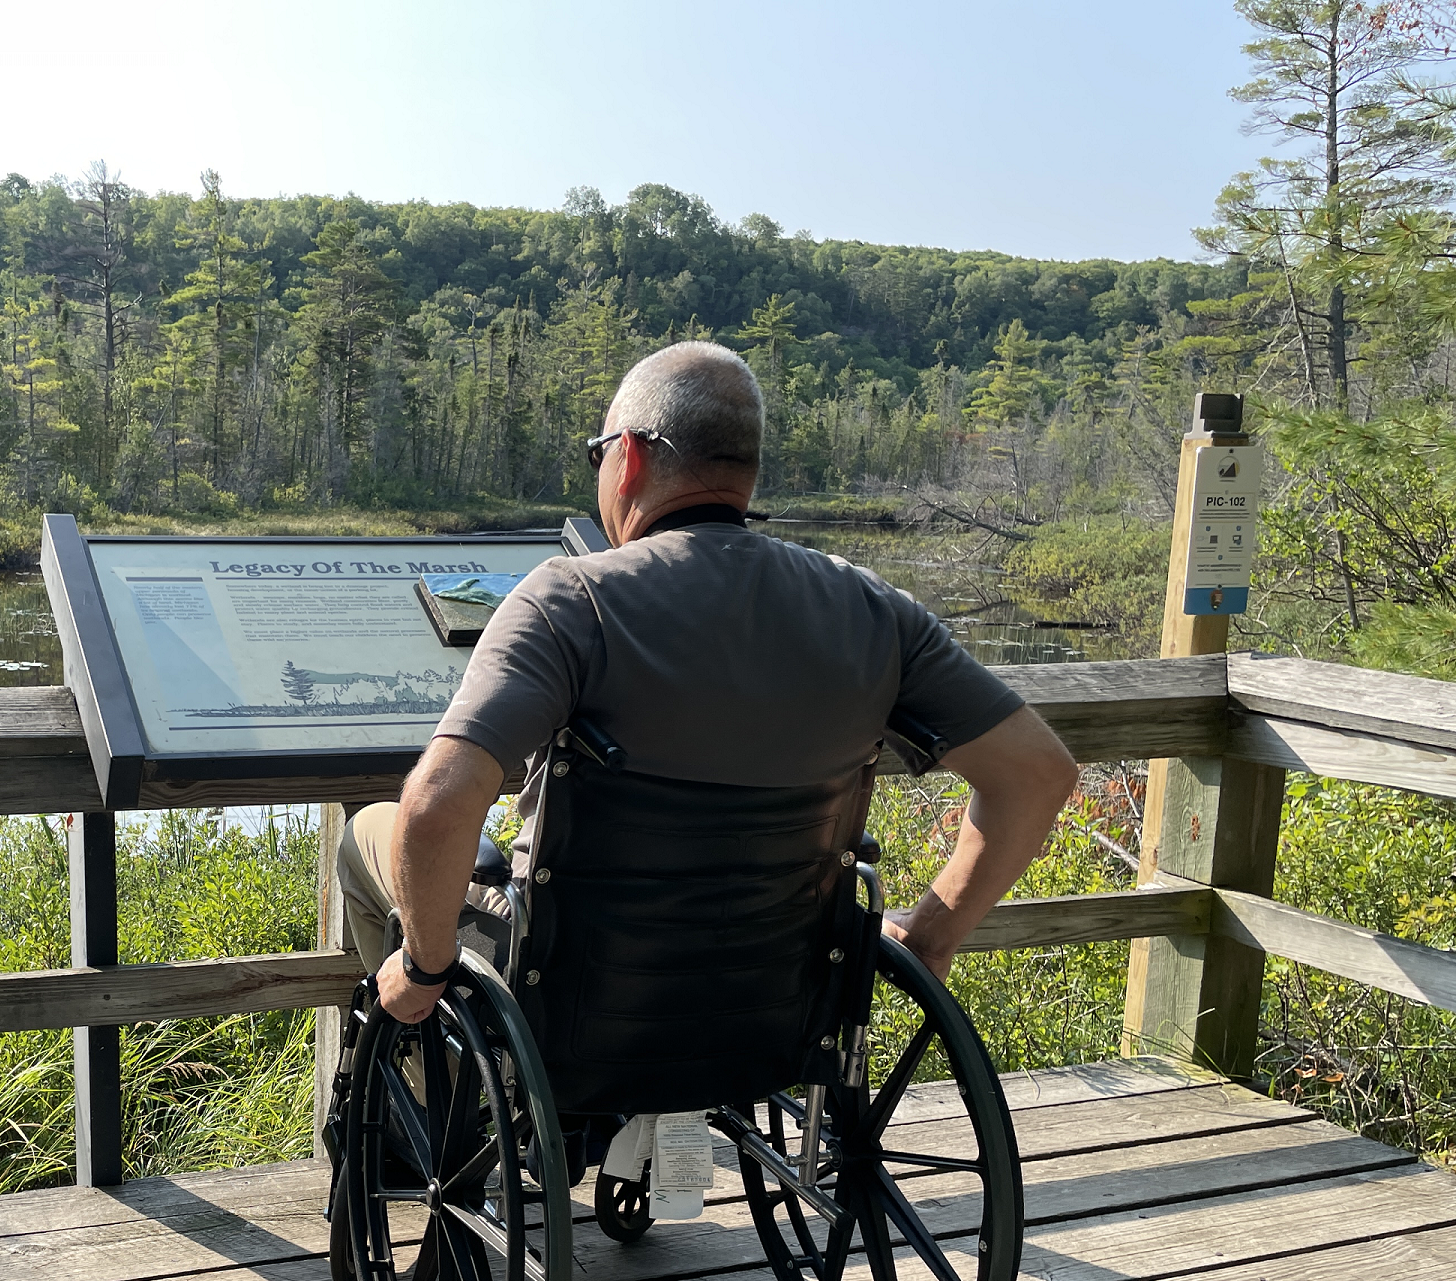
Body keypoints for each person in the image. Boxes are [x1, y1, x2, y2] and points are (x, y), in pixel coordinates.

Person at [337, 340, 1078, 1026]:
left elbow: (436, 804)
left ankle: (428, 1100)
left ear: (626, 458)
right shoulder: (873, 608)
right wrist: (930, 936)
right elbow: (1039, 773)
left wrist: (425, 964)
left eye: (599, 453)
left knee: (365, 838)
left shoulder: (567, 600)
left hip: (575, 992)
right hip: (771, 996)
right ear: (744, 469)